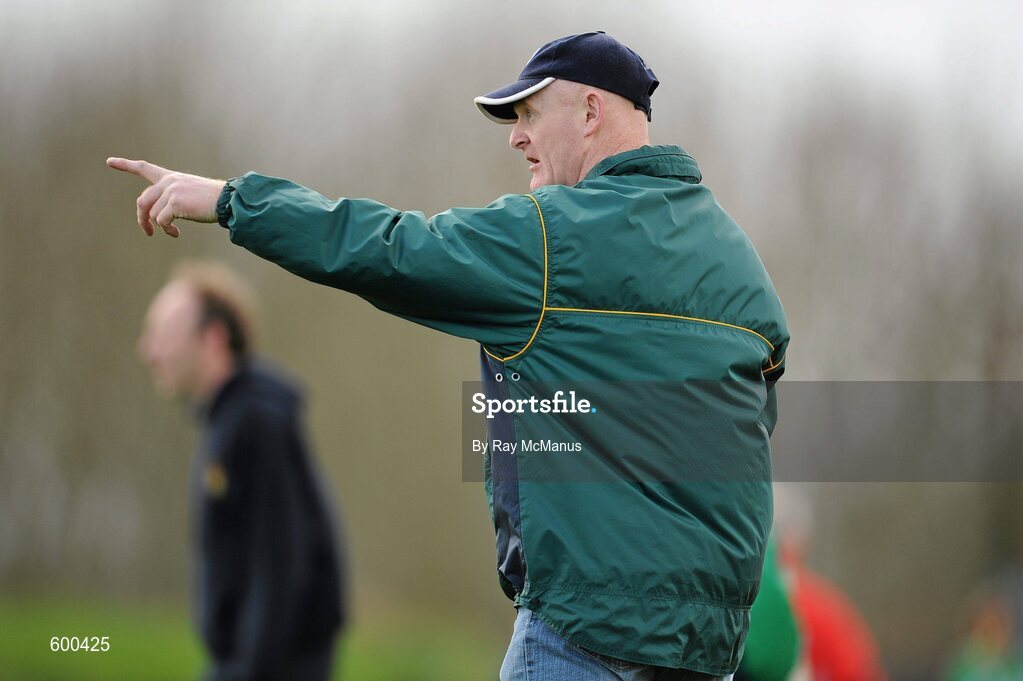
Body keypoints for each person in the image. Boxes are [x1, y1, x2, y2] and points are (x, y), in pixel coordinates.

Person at [112, 31, 788, 681]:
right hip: (704, 651)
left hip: (584, 637)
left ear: (588, 112)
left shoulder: (548, 239)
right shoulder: (740, 263)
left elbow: (389, 249)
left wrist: (234, 201)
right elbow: (747, 432)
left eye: (527, 114)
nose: (516, 136)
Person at [137, 260, 346, 681]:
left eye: (163, 335)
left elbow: (282, 560)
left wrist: (251, 667)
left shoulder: (254, 423)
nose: (148, 351)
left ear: (212, 340)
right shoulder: (231, 420)